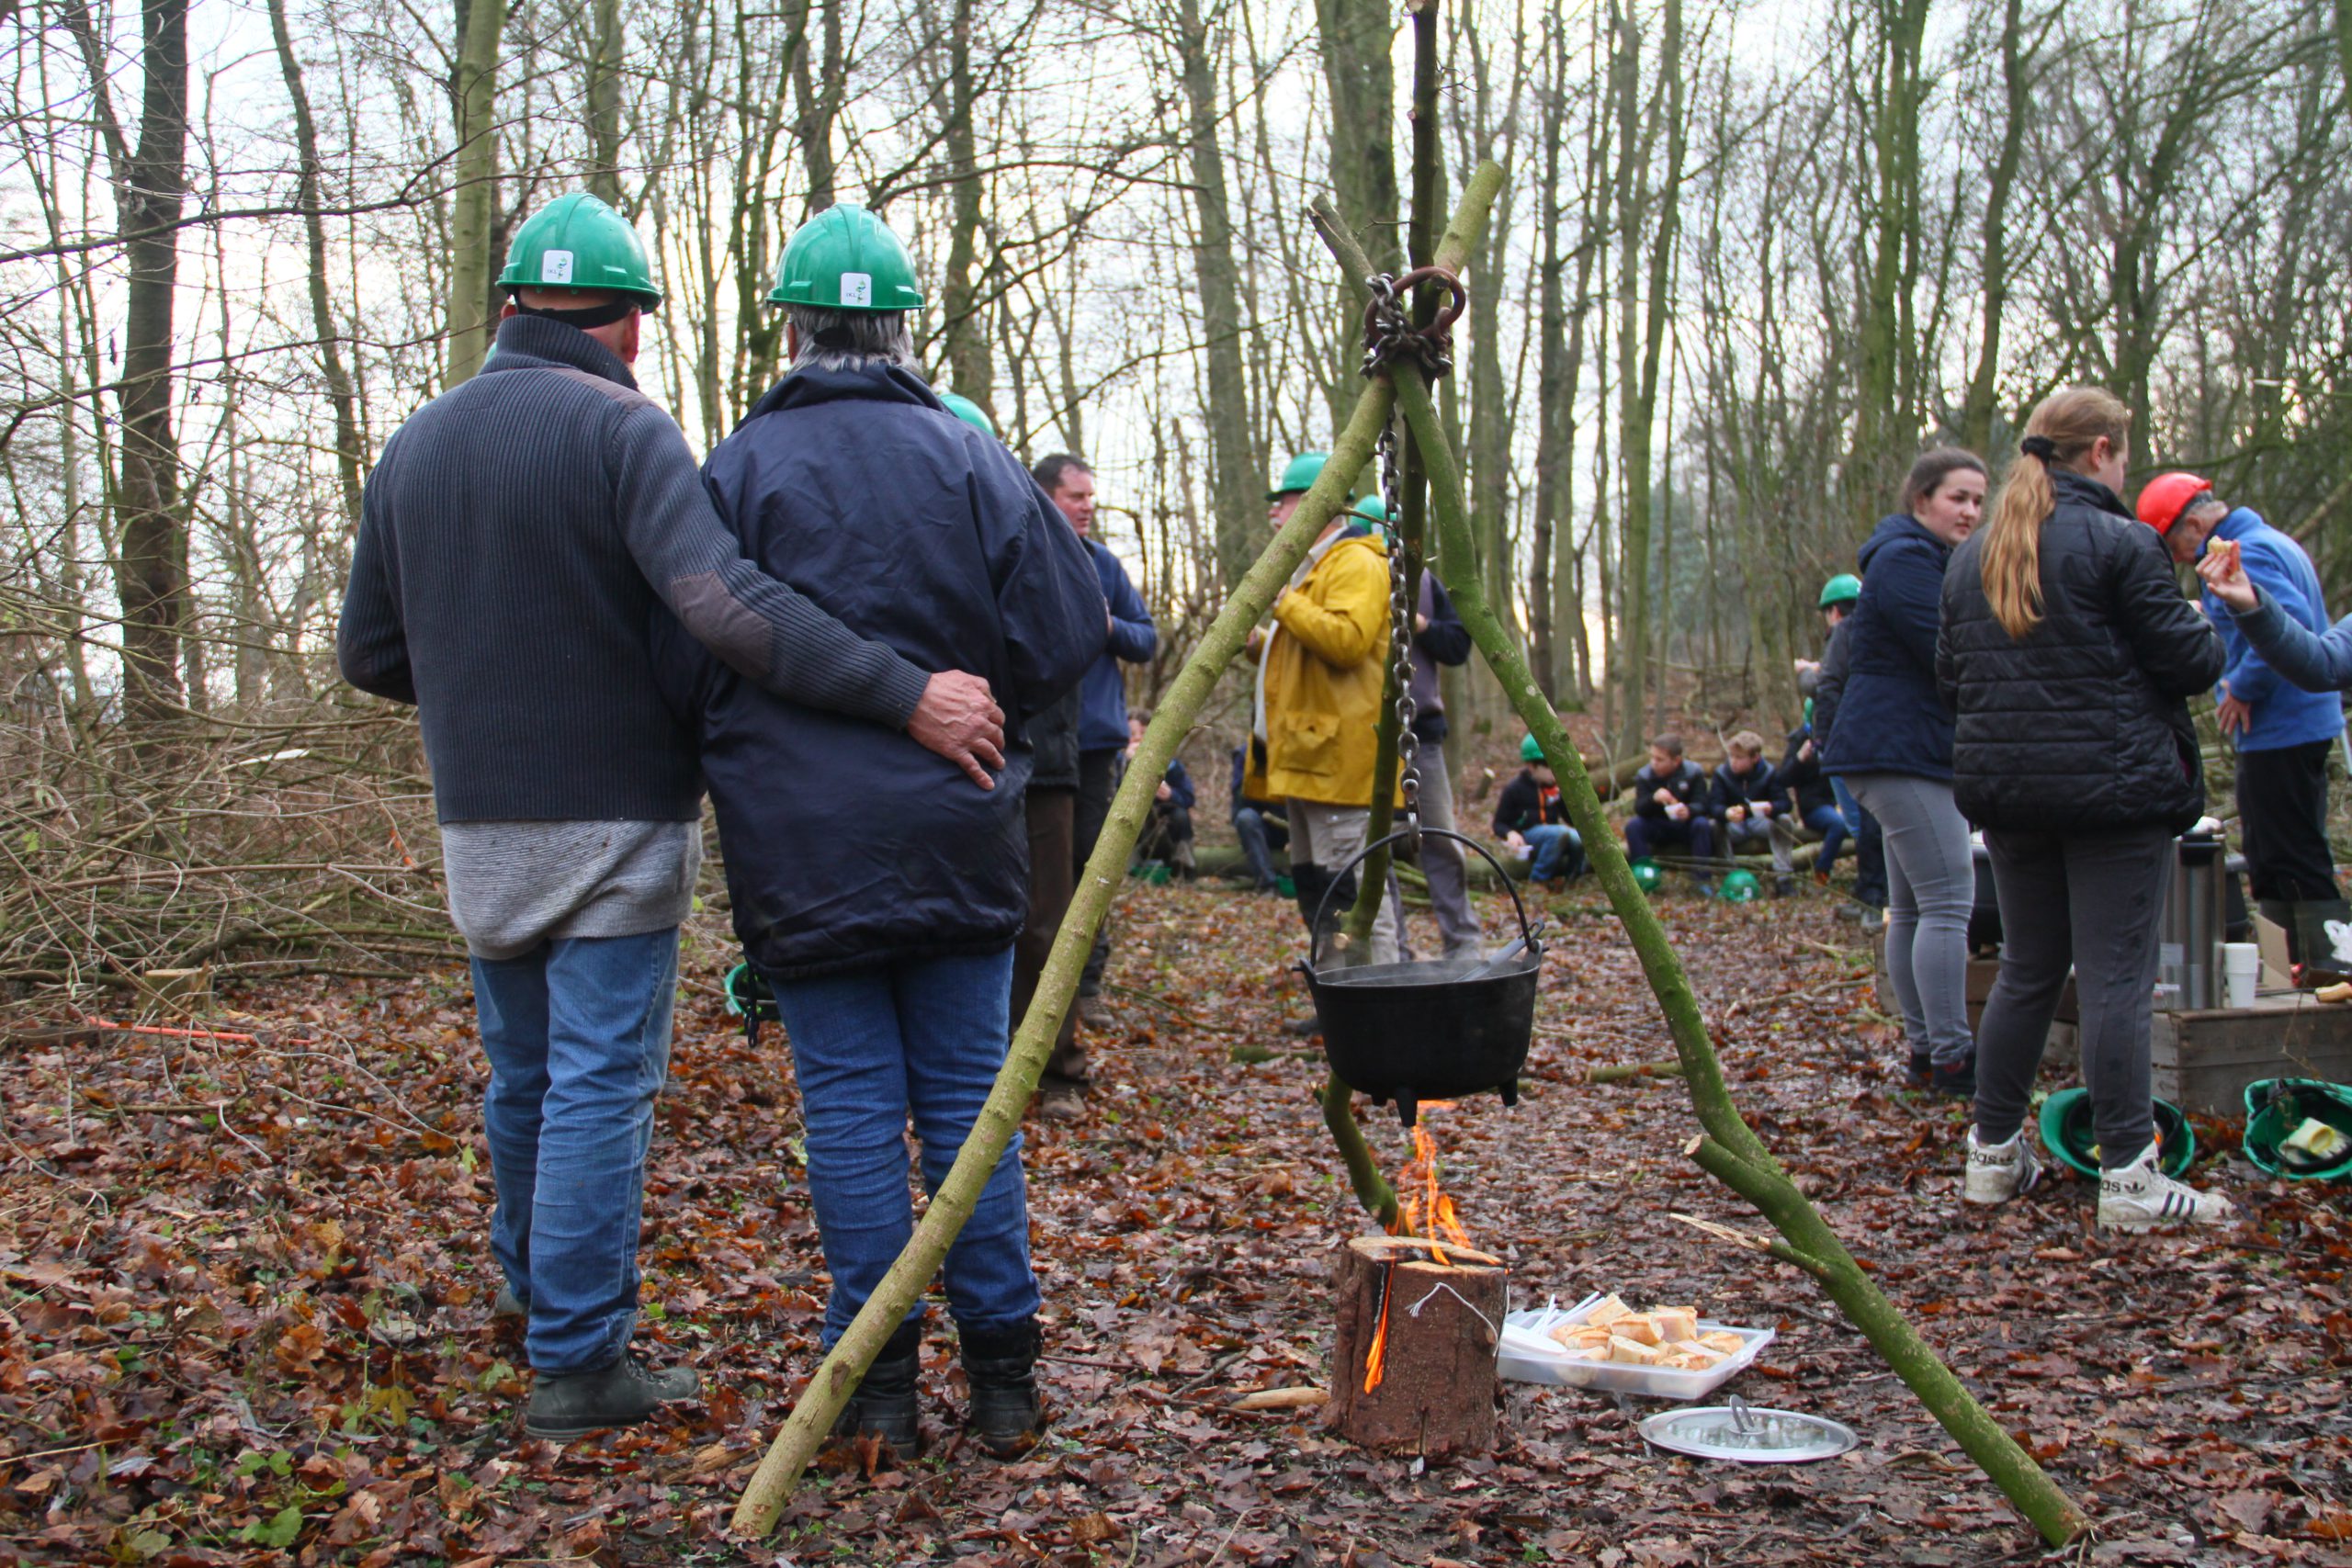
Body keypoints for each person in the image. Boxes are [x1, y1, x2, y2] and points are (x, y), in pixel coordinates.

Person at [338, 193, 1007, 1439]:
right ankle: (579, 1357)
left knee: (523, 1074)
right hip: (616, 820)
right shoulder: (622, 430)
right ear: (633, 324)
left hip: (477, 826)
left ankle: (537, 1297)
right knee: (597, 1080)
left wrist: (493, 679)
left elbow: (372, 651)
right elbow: (728, 609)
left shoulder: (416, 442)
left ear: (508, 304)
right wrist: (906, 691)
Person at [655, 204, 1106, 1454]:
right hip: (959, 823)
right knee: (968, 1100)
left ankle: (884, 1389)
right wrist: (981, 697)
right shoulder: (971, 458)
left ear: (792, 326)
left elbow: (687, 661)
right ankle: (1007, 1379)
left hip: (801, 844)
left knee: (851, 1108)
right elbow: (1072, 628)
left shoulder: (736, 468)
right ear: (901, 327)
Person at [1939, 387, 2233, 1229]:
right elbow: (2189, 662)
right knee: (2114, 981)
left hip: (2011, 796)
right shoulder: (2122, 542)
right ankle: (2132, 1176)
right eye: (2125, 450)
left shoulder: (1973, 555)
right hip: (2115, 795)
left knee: (2028, 970)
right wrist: (2207, 603)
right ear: (2101, 449)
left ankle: (1992, 1156)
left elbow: (1951, 679)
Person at [929, 393, 1100, 1123]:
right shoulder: (916, 535)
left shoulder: (1028, 528)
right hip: (945, 763)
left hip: (1039, 759)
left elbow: (1067, 638)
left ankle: (1057, 1070)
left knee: (1045, 922)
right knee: (955, 919)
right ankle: (968, 1073)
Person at [1826, 449, 1988, 1095]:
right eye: (1958, 498)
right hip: (1898, 751)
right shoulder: (1905, 562)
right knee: (1949, 903)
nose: (1971, 511)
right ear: (1922, 500)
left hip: (1903, 750)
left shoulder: (1921, 559)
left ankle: (1926, 1051)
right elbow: (1952, 651)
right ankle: (1952, 1057)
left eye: (1979, 500)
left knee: (1914, 908)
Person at [2138, 474, 2343, 906]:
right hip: (2294, 723)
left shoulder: (2246, 554)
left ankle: (2319, 962)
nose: (2180, 560)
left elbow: (2292, 627)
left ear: (2194, 526)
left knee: (2288, 859)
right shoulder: (2265, 540)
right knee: (2281, 852)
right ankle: (2298, 957)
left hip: (2283, 725)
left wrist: (2241, 687)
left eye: (2175, 547)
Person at [1248, 455, 1405, 969]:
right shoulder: (1317, 569)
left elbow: (1347, 641)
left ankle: (1382, 1007)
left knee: (1357, 896)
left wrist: (1284, 603)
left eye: (1285, 501)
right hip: (1309, 760)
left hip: (1341, 765)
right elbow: (1313, 656)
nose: (1276, 514)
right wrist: (1263, 644)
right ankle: (1338, 1005)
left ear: (1320, 505)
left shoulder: (1358, 561)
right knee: (1319, 891)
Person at [1037, 453, 1158, 1032]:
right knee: (1038, 873)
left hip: (1094, 746)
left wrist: (1105, 624)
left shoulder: (1104, 565)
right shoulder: (1026, 555)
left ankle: (1087, 989)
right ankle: (1035, 992)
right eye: (1076, 497)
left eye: (1091, 497)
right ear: (1046, 496)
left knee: (1092, 865)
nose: (1087, 507)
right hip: (1033, 744)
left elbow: (1145, 639)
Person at [1353, 495, 1487, 956]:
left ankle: (1463, 943)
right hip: (1362, 735)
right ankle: (1398, 953)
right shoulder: (1348, 578)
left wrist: (1423, 624)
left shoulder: (1426, 581)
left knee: (1440, 840)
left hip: (1419, 733)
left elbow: (1458, 645)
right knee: (1376, 850)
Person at [1805, 574, 1887, 920]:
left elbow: (1829, 687)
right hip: (1887, 738)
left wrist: (1822, 739)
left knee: (1867, 825)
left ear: (1834, 611)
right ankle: (1875, 895)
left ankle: (1873, 897)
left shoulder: (1846, 632)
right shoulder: (1883, 629)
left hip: (1857, 743)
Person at [1709, 730, 1797, 896]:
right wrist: (1726, 813)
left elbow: (1785, 803)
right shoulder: (1722, 774)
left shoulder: (1769, 773)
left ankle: (1783, 878)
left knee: (1784, 820)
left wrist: (1772, 807)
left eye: (1739, 758)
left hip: (1760, 823)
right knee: (1713, 825)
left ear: (1755, 758)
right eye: (1732, 757)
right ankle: (1730, 875)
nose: (1733, 762)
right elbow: (1713, 805)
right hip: (1733, 825)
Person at [1623, 734, 1714, 890]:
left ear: (1676, 760)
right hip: (1658, 826)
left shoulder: (1694, 773)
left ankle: (1701, 880)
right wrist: (1653, 799)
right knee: (1634, 826)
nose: (1654, 763)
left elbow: (1703, 804)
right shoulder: (1644, 776)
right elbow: (1639, 808)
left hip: (1685, 826)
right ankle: (1645, 876)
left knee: (1702, 824)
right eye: (1652, 758)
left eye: (1660, 760)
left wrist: (1689, 811)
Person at [1492, 733, 1583, 883]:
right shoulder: (1515, 789)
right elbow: (1498, 823)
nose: (1553, 771)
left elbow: (1570, 820)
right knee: (1558, 833)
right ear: (1531, 766)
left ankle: (1573, 877)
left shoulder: (1556, 789)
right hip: (1529, 836)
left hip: (1556, 836)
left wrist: (1566, 798)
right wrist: (1510, 834)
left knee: (1578, 838)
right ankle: (1538, 880)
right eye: (1547, 766)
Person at [1777, 711, 1849, 884]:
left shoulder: (1840, 734)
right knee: (1838, 825)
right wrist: (1800, 759)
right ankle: (1822, 871)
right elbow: (1783, 779)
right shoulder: (1801, 739)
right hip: (1813, 807)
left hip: (1838, 803)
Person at [1126, 711, 1195, 874]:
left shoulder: (1171, 765)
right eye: (1132, 734)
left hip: (1164, 830)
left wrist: (1171, 795)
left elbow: (1188, 798)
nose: (1137, 739)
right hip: (1135, 827)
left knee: (1181, 816)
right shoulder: (1117, 761)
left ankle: (1184, 867)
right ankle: (1128, 870)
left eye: (1143, 734)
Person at [1229, 745, 1290, 893]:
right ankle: (1267, 883)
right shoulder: (1246, 754)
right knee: (1246, 818)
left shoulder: (1294, 749)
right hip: (1262, 824)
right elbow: (1240, 798)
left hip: (1294, 823)